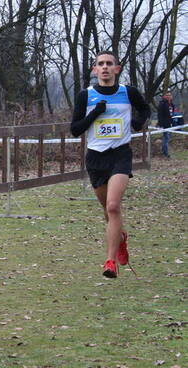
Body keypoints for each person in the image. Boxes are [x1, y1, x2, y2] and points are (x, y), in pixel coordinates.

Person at [70, 51, 150, 278]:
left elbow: (145, 109)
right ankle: (120, 239)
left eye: (109, 64)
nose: (105, 67)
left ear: (117, 68)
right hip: (95, 158)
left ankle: (110, 262)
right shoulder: (86, 95)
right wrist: (95, 112)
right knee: (108, 211)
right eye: (100, 64)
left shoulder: (128, 92)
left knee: (114, 206)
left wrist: (137, 122)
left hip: (120, 155)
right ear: (95, 70)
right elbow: (75, 129)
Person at [157, 93, 174, 158]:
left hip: (170, 123)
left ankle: (163, 151)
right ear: (164, 96)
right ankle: (166, 153)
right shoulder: (162, 104)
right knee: (166, 138)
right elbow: (159, 115)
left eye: (170, 95)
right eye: (167, 95)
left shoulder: (171, 104)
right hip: (164, 124)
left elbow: (171, 114)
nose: (169, 96)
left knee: (167, 138)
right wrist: (160, 124)